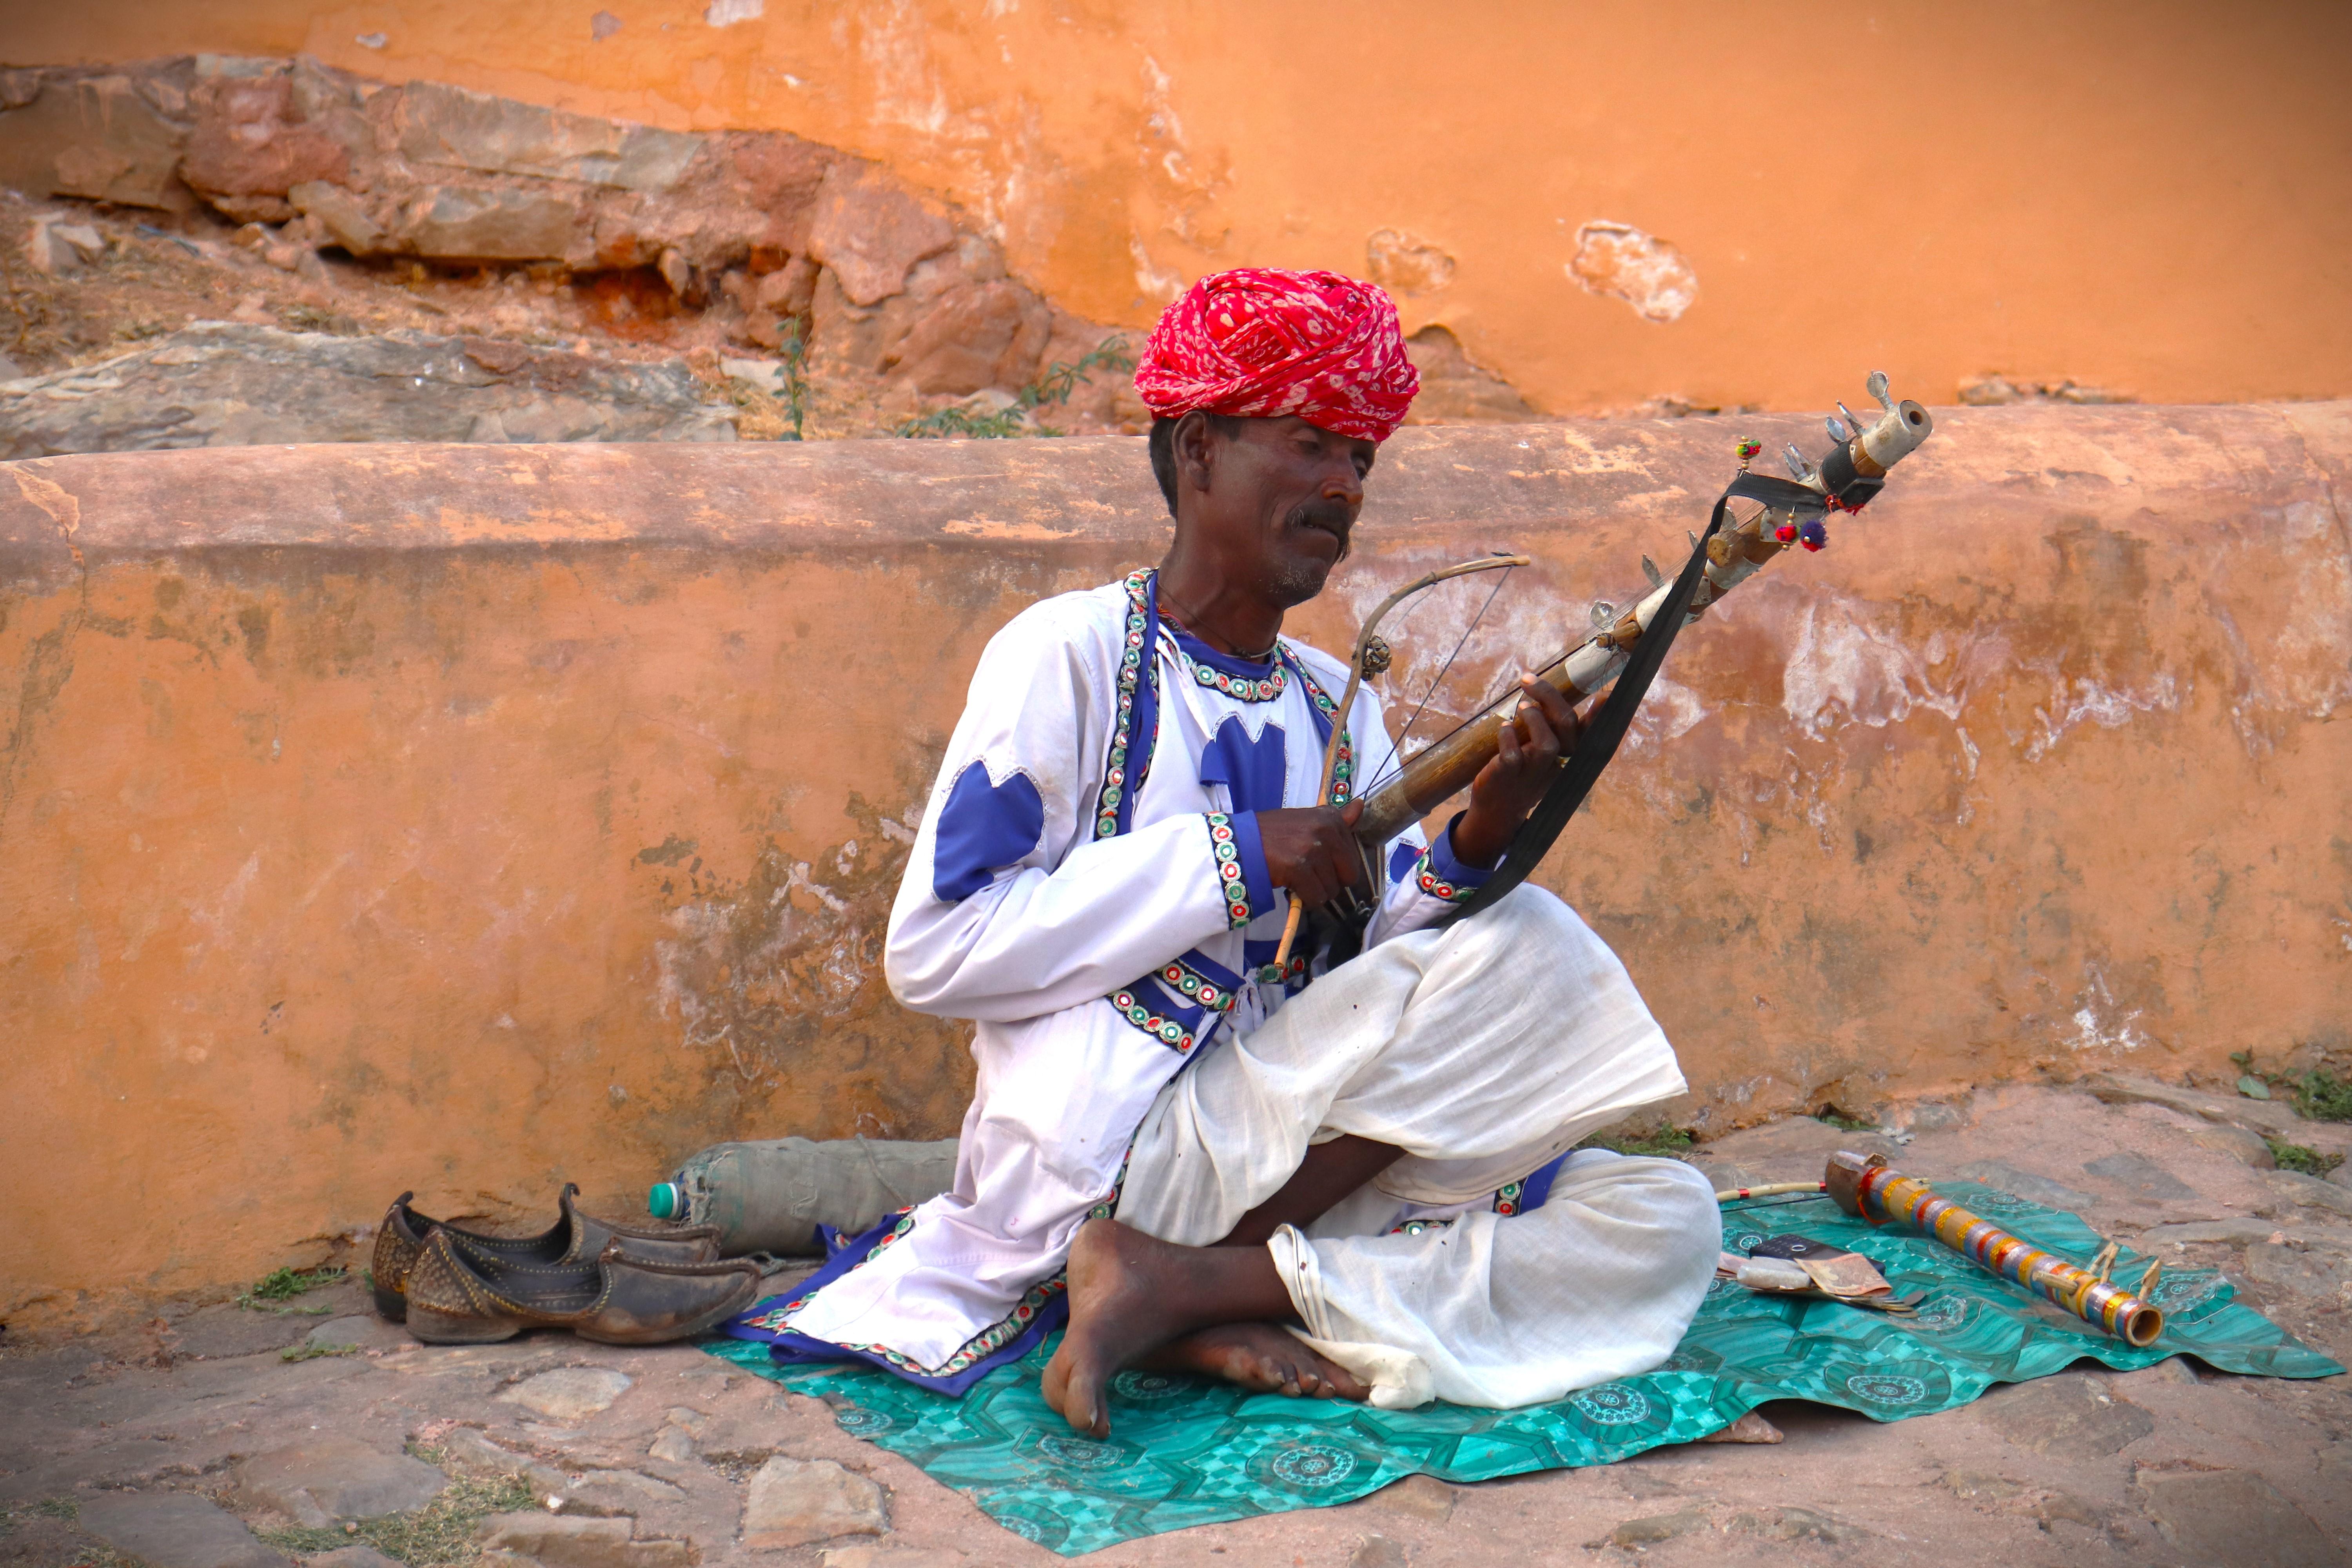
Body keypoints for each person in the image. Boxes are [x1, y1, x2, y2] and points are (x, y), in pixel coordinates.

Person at [725, 268, 1718, 1436]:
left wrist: (1483, 834)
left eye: (1361, 460)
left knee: (1666, 1217)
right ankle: (1185, 1274)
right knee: (1542, 943)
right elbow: (939, 951)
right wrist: (1233, 856)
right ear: (1199, 451)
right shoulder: (1071, 655)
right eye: (1309, 445)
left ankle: (1193, 1289)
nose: (1343, 486)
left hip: (1290, 1156)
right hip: (1130, 1154)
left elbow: (1376, 977)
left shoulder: (1331, 702)